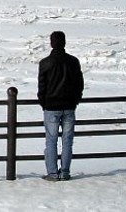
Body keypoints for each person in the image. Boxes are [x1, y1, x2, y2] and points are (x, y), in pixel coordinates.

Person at [37, 31, 84, 181]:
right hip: (69, 106)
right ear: (64, 42)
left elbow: (42, 87)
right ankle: (65, 172)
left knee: (51, 140)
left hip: (51, 106)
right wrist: (75, 100)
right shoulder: (73, 61)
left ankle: (52, 173)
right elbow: (79, 84)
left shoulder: (45, 63)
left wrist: (43, 103)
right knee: (67, 141)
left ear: (51, 43)